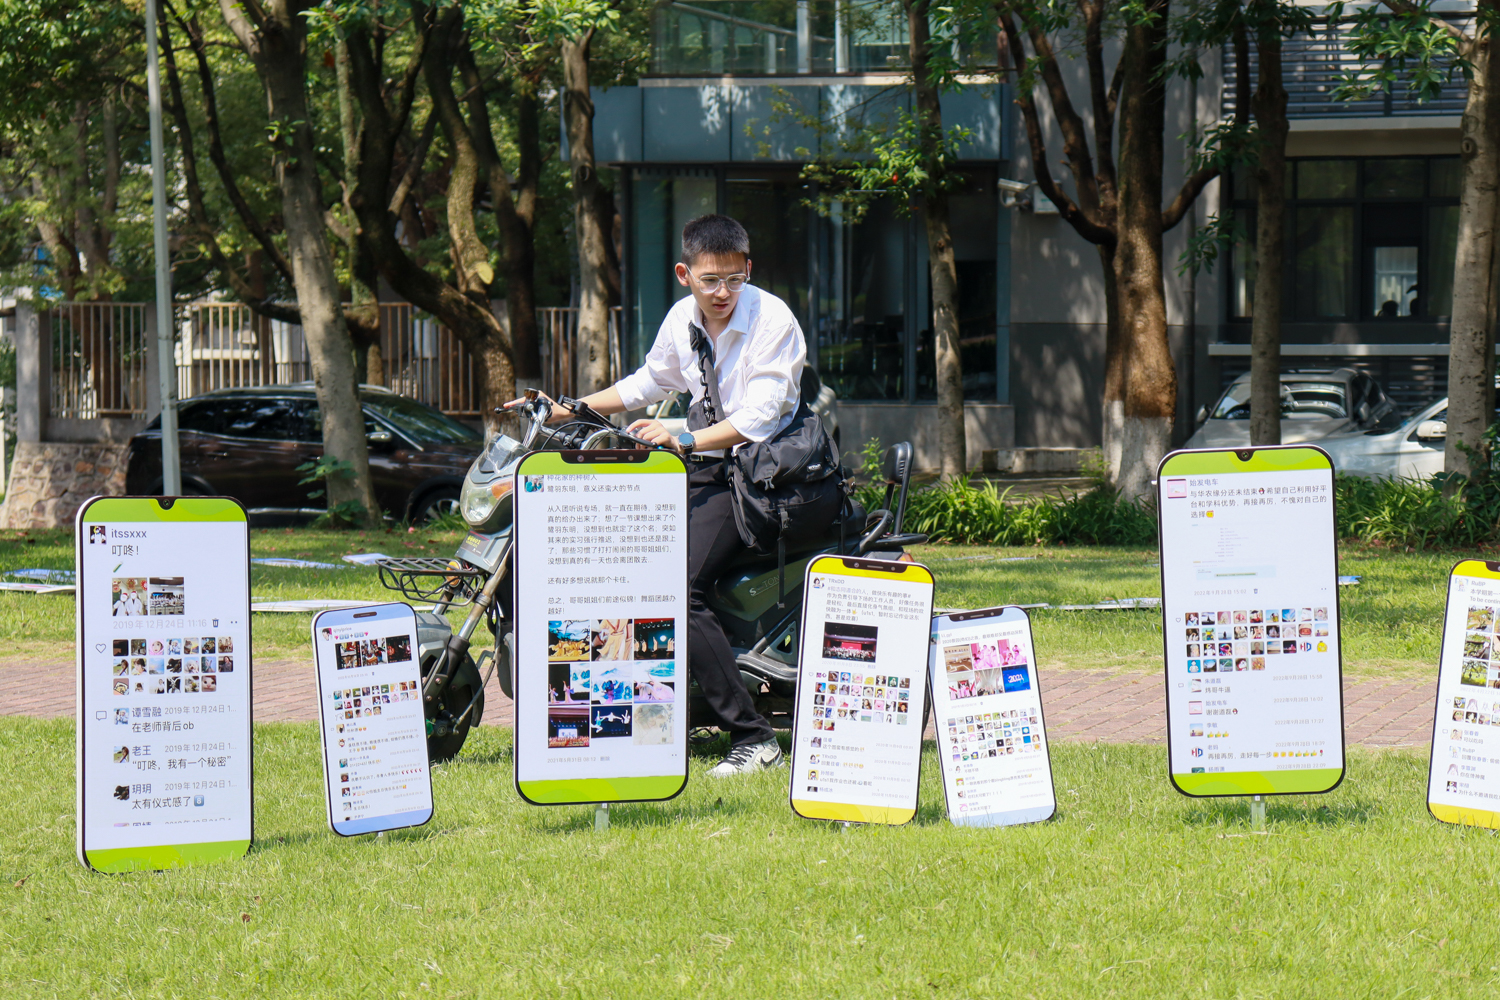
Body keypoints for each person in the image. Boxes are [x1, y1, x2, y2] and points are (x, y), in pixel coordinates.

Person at [510, 214, 802, 777]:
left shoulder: (773, 320)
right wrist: (572, 407)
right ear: (684, 273)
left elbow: (762, 414)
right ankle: (645, 715)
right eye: (709, 280)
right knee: (622, 564)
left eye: (733, 280)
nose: (722, 293)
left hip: (757, 474)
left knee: (672, 587)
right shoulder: (681, 320)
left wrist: (685, 437)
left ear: (749, 269)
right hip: (701, 465)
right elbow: (649, 382)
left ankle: (754, 736)